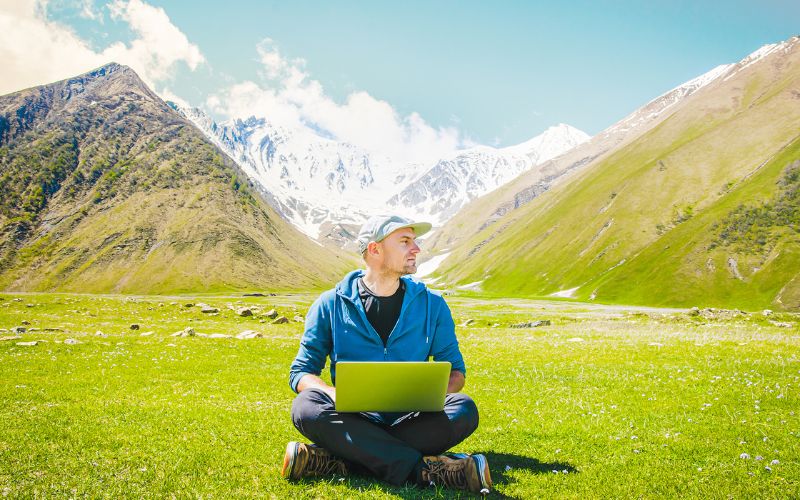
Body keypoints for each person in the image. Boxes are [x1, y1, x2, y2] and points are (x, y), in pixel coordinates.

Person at [282, 215, 492, 494]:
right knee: (306, 407)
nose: (416, 249)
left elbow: (456, 373)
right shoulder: (329, 304)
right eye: (405, 242)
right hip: (353, 416)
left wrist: (431, 395)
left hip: (412, 419)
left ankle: (341, 457)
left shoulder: (433, 305)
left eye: (414, 241)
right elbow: (301, 373)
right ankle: (424, 471)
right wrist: (332, 393)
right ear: (375, 250)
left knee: (463, 408)